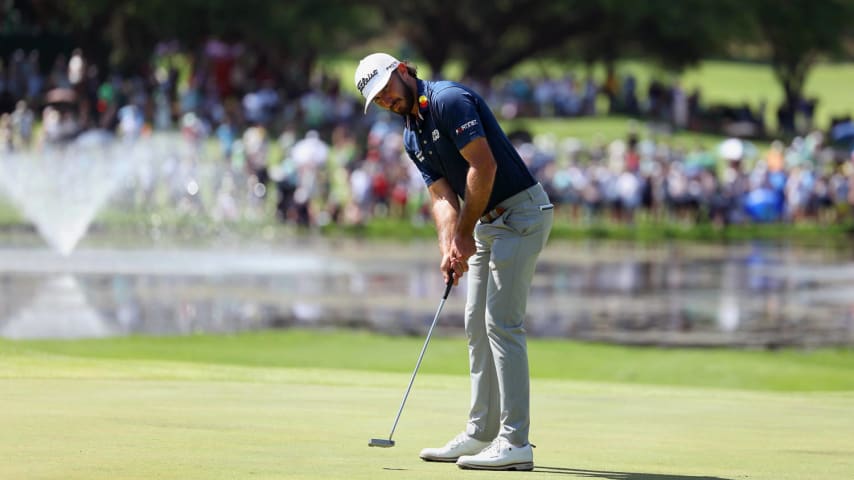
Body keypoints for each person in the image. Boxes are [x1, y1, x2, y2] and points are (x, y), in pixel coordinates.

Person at [355, 52, 554, 471]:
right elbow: (443, 197)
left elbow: (484, 166)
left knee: (502, 322)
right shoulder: (412, 135)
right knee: (474, 323)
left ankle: (515, 441)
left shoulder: (448, 100)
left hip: (521, 214)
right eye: (380, 100)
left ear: (404, 71)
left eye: (388, 89)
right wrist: (449, 245)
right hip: (486, 221)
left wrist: (464, 234)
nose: (388, 101)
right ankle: (482, 432)